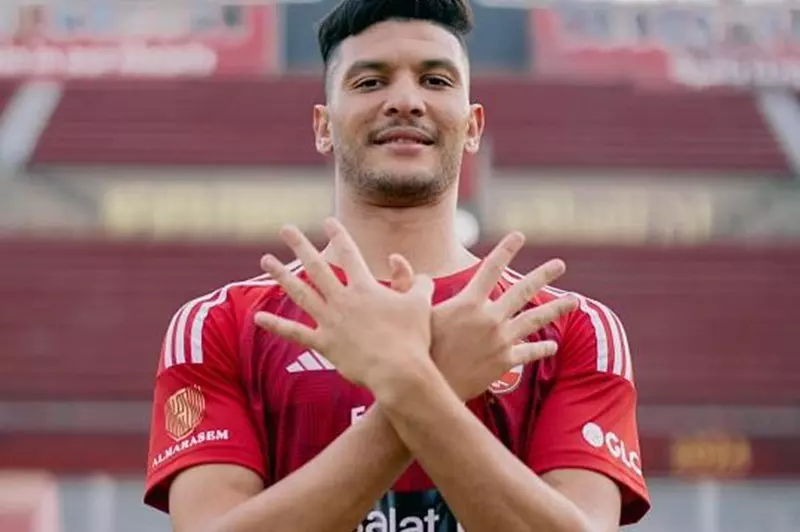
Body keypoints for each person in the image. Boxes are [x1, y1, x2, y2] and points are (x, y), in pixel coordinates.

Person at [144, 0, 651, 530]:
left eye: (435, 81)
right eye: (370, 82)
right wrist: (433, 383)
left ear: (473, 125)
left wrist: (408, 383)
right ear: (323, 126)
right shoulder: (218, 325)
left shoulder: (573, 329)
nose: (406, 101)